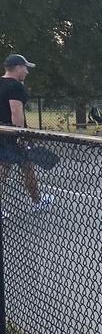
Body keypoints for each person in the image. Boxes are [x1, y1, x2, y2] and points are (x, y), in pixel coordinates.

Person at [0, 54, 54, 214]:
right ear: (17, 67)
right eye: (25, 68)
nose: (27, 72)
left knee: (24, 166)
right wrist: (20, 135)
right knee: (8, 169)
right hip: (12, 134)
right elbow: (16, 110)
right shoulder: (16, 87)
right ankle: (37, 201)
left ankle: (37, 200)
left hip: (2, 131)